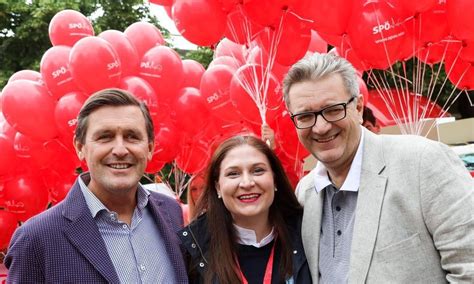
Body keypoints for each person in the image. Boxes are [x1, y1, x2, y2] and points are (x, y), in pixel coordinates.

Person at [282, 53, 473, 283]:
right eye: (305, 116)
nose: (321, 127)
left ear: (359, 108)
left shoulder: (423, 162)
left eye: (333, 109)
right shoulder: (306, 192)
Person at [5, 89, 187, 283]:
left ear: (149, 148)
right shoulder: (36, 239)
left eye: (132, 136)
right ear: (80, 148)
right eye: (105, 137)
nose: (120, 150)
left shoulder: (171, 212)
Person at [178, 135, 312, 283]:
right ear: (218, 188)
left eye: (258, 170)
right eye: (233, 174)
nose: (247, 183)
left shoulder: (308, 234)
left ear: (274, 180)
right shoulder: (192, 251)